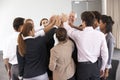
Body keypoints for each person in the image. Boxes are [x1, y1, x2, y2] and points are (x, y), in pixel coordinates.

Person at [62, 11, 108, 80]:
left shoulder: (78, 35)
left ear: (83, 21)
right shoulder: (101, 35)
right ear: (93, 21)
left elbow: (68, 30)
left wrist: (64, 21)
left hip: (82, 68)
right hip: (95, 66)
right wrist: (103, 68)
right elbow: (105, 54)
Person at [99, 15, 115, 80]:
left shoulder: (110, 38)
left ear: (104, 24)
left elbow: (110, 55)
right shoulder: (101, 34)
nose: (99, 25)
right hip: (100, 63)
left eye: (100, 23)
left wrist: (106, 70)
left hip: (104, 65)